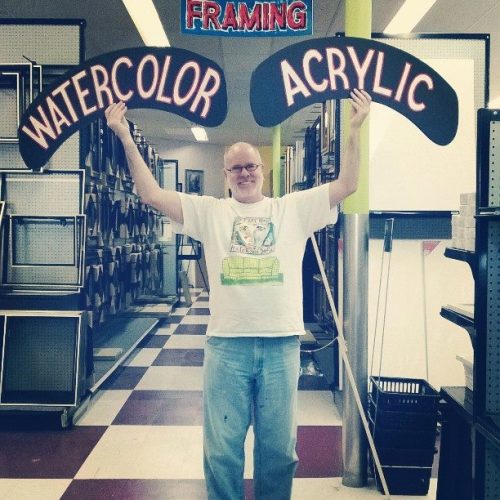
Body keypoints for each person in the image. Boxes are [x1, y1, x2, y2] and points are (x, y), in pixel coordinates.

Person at [105, 88, 371, 500]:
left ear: (262, 170)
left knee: (280, 453)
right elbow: (151, 194)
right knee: (222, 453)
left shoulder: (292, 209)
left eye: (250, 166)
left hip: (282, 345)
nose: (244, 173)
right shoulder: (211, 212)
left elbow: (348, 184)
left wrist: (354, 130)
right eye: (235, 169)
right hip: (226, 348)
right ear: (226, 175)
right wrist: (124, 136)